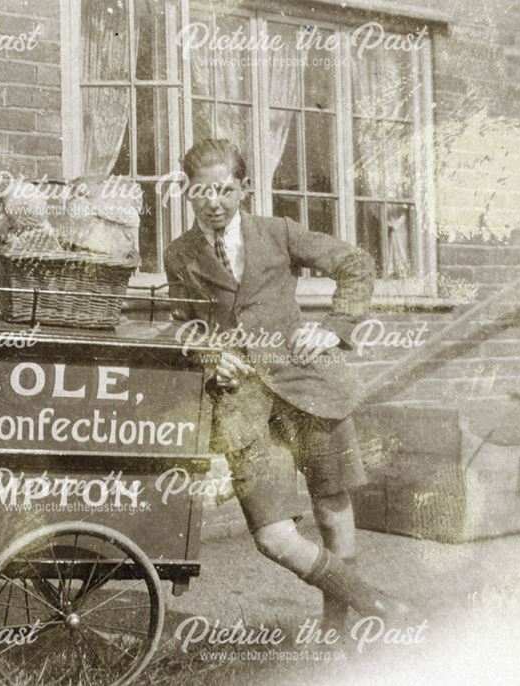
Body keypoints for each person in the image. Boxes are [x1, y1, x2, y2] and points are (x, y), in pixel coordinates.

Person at [164, 138, 410, 632]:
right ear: (187, 193)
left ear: (245, 189)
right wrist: (212, 357)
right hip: (244, 407)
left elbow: (355, 264)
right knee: (274, 535)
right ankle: (376, 602)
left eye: (225, 190)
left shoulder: (277, 233)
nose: (213, 203)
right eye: (201, 192)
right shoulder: (180, 255)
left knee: (332, 506)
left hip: (310, 389)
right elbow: (184, 325)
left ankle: (337, 630)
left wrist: (335, 326)